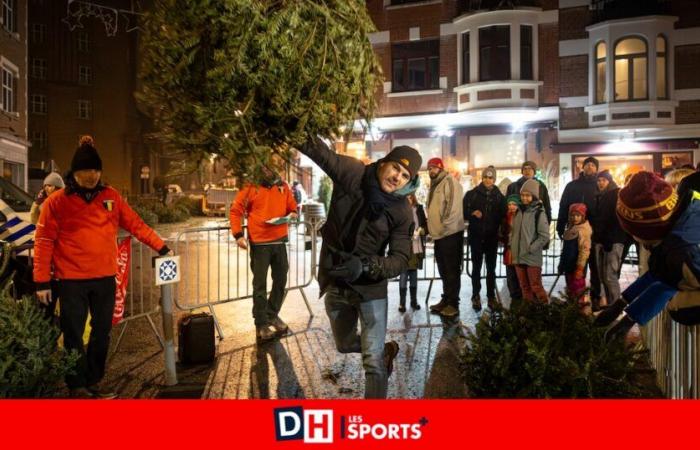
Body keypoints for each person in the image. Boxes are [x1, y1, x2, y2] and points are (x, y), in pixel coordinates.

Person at [33, 139, 172, 399]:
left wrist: (162, 247)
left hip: (105, 278)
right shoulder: (57, 202)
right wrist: (41, 281)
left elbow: (137, 225)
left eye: (96, 171)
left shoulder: (111, 197)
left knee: (102, 332)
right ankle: (77, 385)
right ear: (74, 173)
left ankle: (94, 381)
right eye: (86, 171)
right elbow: (43, 242)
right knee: (73, 333)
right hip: (71, 280)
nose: (92, 176)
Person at [298, 138, 422, 399]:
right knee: (343, 344)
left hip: (370, 289)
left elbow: (400, 259)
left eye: (404, 175)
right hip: (337, 278)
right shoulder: (353, 172)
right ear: (384, 163)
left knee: (372, 363)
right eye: (396, 168)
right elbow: (320, 153)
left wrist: (366, 265)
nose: (397, 177)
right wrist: (294, 129)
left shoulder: (401, 211)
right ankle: (384, 349)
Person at [594, 171, 700, 342]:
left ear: (645, 231)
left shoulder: (683, 251)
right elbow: (658, 273)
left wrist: (628, 320)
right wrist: (620, 307)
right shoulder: (677, 229)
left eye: (632, 233)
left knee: (679, 305)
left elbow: (669, 282)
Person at [230, 163, 298, 343]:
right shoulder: (250, 187)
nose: (268, 170)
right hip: (260, 243)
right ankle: (261, 323)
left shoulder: (282, 185)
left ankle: (272, 314)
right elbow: (236, 210)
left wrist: (292, 214)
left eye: (270, 167)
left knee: (281, 279)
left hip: (279, 241)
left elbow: (292, 207)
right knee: (259, 285)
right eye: (264, 167)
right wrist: (238, 235)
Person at [557, 156, 601, 307]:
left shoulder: (599, 186)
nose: (589, 167)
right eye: (587, 164)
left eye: (593, 165)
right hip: (573, 230)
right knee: (573, 262)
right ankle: (574, 296)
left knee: (594, 265)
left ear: (596, 168)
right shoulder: (572, 186)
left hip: (593, 232)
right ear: (583, 167)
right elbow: (563, 205)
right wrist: (560, 225)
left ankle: (594, 296)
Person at [425, 158, 465, 318]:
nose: (431, 171)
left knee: (451, 270)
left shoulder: (450, 182)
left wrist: (445, 227)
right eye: (429, 169)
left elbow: (452, 207)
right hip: (440, 235)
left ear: (441, 168)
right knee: (443, 269)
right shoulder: (435, 185)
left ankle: (453, 303)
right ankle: (446, 299)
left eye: (434, 168)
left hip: (450, 234)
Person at [463, 166, 505, 311]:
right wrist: (472, 213)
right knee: (476, 268)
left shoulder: (499, 196)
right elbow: (463, 212)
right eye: (486, 177)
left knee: (491, 269)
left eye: (491, 178)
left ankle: (491, 297)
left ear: (494, 179)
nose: (488, 180)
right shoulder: (472, 194)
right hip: (476, 237)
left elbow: (504, 216)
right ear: (482, 178)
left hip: (492, 238)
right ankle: (475, 296)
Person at [591, 170, 628, 310]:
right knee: (603, 276)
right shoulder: (598, 195)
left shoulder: (615, 195)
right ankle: (611, 305)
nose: (600, 183)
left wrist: (609, 238)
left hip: (613, 241)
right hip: (600, 240)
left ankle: (616, 307)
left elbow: (614, 220)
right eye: (599, 180)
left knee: (610, 276)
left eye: (603, 180)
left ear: (609, 181)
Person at [510, 179, 550, 303]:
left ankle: (546, 311)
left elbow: (544, 236)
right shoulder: (518, 211)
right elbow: (515, 232)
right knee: (524, 287)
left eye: (528, 195)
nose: (524, 198)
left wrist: (530, 248)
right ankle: (529, 313)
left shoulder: (539, 212)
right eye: (522, 195)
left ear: (533, 196)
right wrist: (511, 244)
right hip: (518, 255)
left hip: (531, 257)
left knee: (536, 286)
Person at [397, 194, 427, 312]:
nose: (408, 199)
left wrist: (421, 230)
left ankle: (413, 301)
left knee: (413, 273)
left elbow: (425, 225)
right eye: (406, 197)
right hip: (404, 246)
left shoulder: (419, 208)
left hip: (416, 245)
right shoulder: (400, 209)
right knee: (403, 274)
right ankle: (402, 303)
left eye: (410, 197)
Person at [558, 203, 592, 305]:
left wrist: (580, 267)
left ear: (583, 216)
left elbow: (584, 250)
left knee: (578, 290)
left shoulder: (583, 230)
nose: (575, 218)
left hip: (576, 267)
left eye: (578, 215)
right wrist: (561, 265)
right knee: (570, 289)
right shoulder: (570, 229)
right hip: (568, 265)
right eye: (572, 215)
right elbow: (565, 250)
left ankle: (580, 311)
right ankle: (571, 309)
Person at [500, 194, 521, 302]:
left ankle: (519, 298)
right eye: (509, 204)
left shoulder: (521, 217)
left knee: (519, 275)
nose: (511, 206)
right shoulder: (506, 217)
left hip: (518, 251)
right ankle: (513, 296)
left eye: (514, 204)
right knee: (510, 276)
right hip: (508, 250)